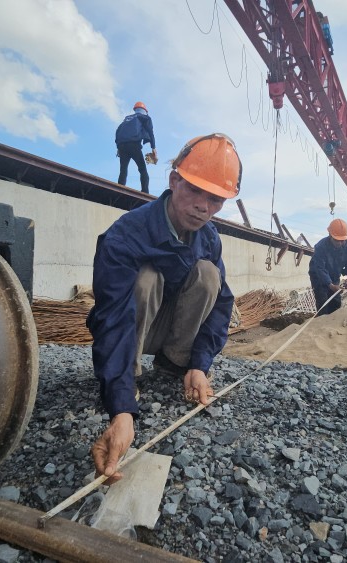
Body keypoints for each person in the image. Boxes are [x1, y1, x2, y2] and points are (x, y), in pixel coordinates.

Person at [87, 133, 241, 482]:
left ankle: (175, 364)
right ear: (174, 181)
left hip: (169, 333)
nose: (203, 206)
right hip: (132, 329)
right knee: (146, 278)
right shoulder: (127, 234)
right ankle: (131, 374)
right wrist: (122, 408)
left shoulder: (209, 237)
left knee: (209, 276)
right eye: (194, 190)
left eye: (215, 198)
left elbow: (221, 305)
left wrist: (200, 364)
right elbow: (113, 317)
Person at [309, 218, 347, 315]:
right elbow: (320, 269)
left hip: (334, 275)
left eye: (342, 240)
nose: (340, 243)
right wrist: (330, 285)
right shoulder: (321, 246)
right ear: (330, 235)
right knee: (323, 302)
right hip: (319, 277)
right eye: (337, 240)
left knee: (336, 302)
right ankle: (321, 323)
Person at [115, 101, 157, 193]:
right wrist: (153, 148)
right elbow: (150, 131)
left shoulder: (127, 119)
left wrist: (118, 147)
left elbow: (118, 131)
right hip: (134, 145)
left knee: (123, 170)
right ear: (145, 110)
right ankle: (145, 193)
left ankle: (119, 190)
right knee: (142, 169)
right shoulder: (144, 117)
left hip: (122, 146)